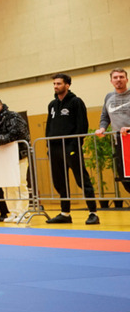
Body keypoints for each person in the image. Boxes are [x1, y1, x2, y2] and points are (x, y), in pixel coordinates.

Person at [45, 73, 98, 225]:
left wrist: (75, 145)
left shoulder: (76, 102)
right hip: (55, 148)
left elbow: (82, 125)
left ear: (67, 85)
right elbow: (49, 126)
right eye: (54, 84)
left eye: (59, 84)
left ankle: (93, 212)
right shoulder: (52, 105)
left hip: (71, 147)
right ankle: (65, 213)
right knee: (60, 182)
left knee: (82, 180)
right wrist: (49, 146)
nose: (56, 86)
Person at [0, 97, 31, 222]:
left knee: (20, 183)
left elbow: (17, 133)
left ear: (1, 105)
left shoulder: (14, 116)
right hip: (3, 157)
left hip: (19, 154)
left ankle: (23, 212)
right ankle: (13, 212)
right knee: (6, 185)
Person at [95, 68, 130, 206]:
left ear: (126, 79)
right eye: (115, 77)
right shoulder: (109, 97)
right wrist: (102, 128)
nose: (118, 79)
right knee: (124, 178)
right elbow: (104, 116)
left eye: (121, 77)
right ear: (111, 81)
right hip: (119, 144)